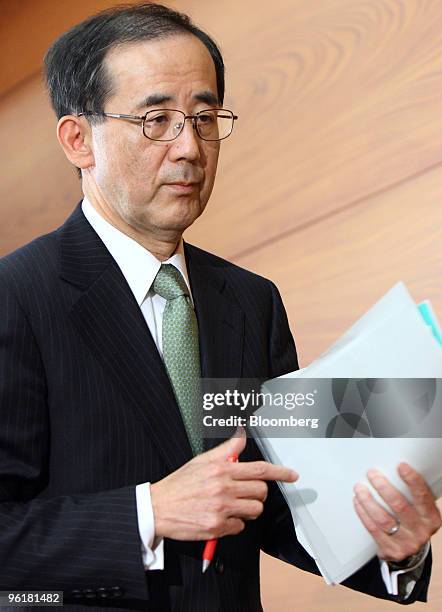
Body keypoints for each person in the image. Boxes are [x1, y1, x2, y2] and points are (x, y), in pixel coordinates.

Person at [0, 3, 439, 610]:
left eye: (204, 118)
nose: (189, 148)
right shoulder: (17, 297)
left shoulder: (251, 301)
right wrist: (149, 511)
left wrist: (394, 547)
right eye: (157, 119)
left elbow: (281, 499)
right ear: (79, 139)